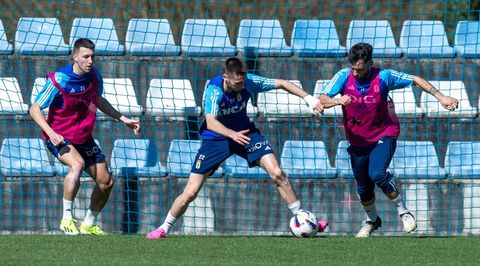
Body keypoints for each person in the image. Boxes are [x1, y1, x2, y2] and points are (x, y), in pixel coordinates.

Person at [147, 57, 327, 239]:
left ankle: (304, 220)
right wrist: (231, 134)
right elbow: (210, 122)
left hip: (246, 133)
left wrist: (308, 98)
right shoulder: (214, 91)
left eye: (243, 81)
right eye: (237, 82)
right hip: (215, 140)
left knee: (278, 173)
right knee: (191, 191)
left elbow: (281, 83)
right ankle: (164, 228)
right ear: (225, 77)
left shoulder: (248, 82)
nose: (242, 86)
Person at [318, 43, 459, 237]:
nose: (355, 72)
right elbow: (323, 99)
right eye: (353, 68)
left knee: (377, 173)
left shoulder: (384, 76)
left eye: (359, 69)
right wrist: (337, 101)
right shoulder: (343, 76)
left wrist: (441, 97)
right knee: (363, 188)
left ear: (370, 64)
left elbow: (415, 80)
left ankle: (403, 211)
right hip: (358, 140)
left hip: (384, 134)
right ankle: (372, 220)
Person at [30, 38, 141, 236]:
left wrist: (122, 118)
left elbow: (98, 100)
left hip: (83, 137)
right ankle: (66, 219)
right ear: (75, 57)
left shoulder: (94, 76)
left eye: (92, 56)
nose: (90, 61)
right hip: (59, 136)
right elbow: (34, 109)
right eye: (86, 57)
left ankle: (89, 223)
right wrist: (51, 133)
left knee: (107, 182)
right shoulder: (59, 79)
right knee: (77, 165)